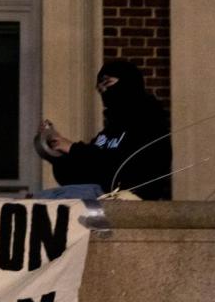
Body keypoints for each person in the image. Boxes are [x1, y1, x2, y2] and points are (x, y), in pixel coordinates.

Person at [37, 60, 172, 200]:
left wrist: (72, 148)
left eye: (107, 83)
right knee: (43, 199)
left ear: (128, 82)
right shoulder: (110, 131)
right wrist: (55, 152)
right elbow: (83, 172)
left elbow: (116, 166)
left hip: (130, 200)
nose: (103, 91)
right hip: (102, 197)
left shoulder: (149, 123)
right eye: (100, 88)